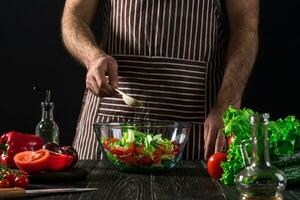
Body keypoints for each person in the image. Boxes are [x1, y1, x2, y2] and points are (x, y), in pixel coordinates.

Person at [61, 0, 259, 160]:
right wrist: (92, 57)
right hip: (112, 119)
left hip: (195, 125)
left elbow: (246, 29)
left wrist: (226, 104)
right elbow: (74, 16)